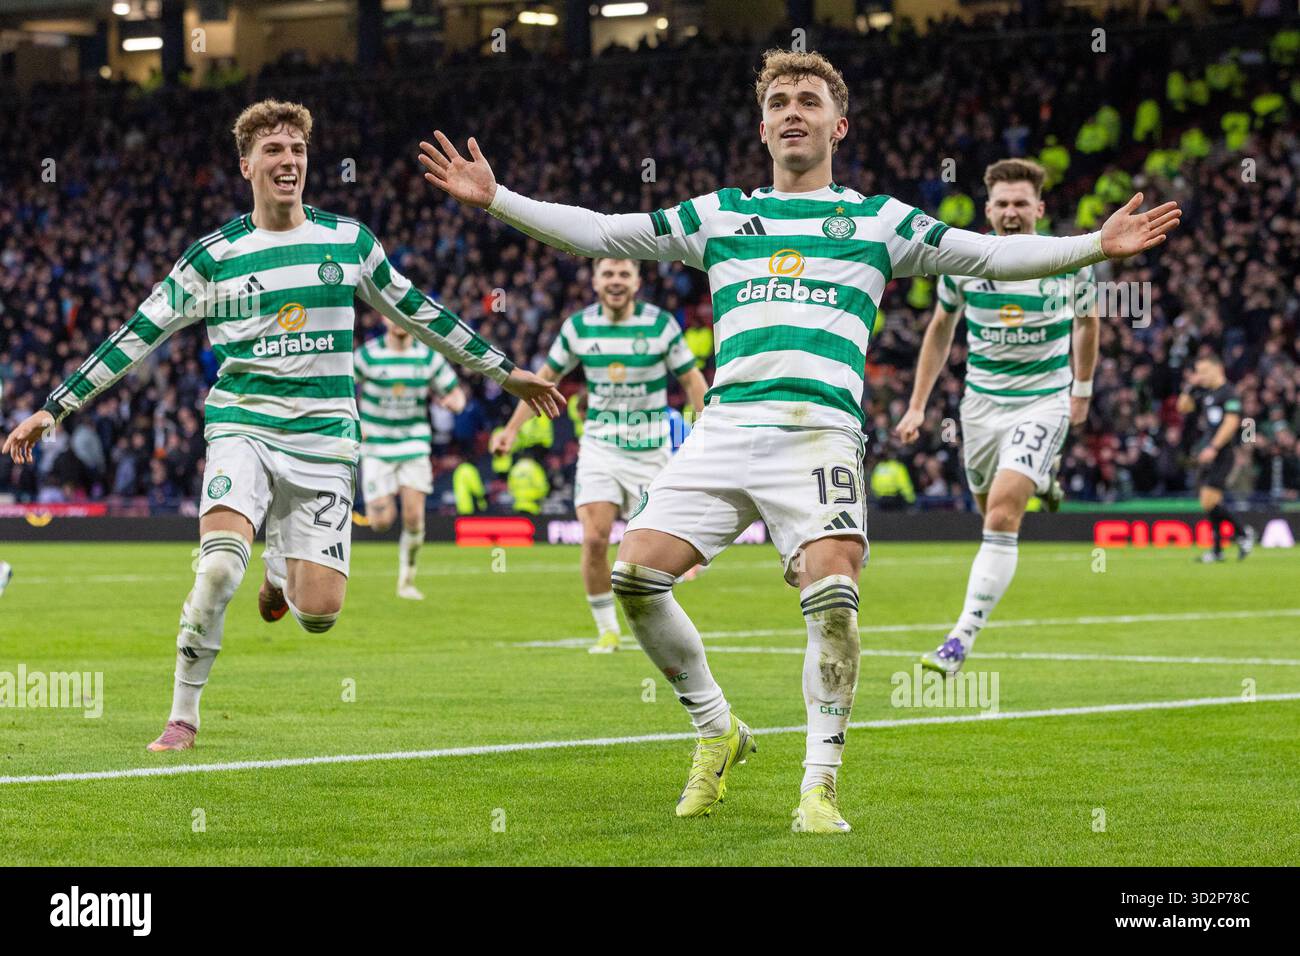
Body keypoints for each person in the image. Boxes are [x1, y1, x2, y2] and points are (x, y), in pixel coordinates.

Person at [417, 49, 1180, 833]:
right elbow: (602, 231)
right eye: (779, 100)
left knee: (833, 599)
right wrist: (497, 198)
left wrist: (1093, 244)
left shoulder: (879, 221)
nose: (792, 110)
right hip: (724, 428)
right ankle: (717, 728)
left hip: (818, 435)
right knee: (636, 578)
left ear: (837, 124)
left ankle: (819, 785)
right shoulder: (716, 216)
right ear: (761, 126)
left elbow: (988, 254)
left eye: (808, 101)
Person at [2, 99, 562, 752]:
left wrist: (505, 371)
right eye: (274, 150)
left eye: (297, 149)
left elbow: (421, 312)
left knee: (319, 614)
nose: (289, 160)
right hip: (242, 426)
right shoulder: (212, 257)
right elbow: (137, 333)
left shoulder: (347, 243)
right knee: (215, 572)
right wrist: (54, 405)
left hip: (325, 441)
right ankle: (183, 715)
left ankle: (279, 570)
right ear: (247, 165)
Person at [894, 158, 1099, 676]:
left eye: (1021, 204)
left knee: (1003, 515)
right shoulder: (964, 261)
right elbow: (941, 328)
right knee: (988, 509)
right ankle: (1045, 480)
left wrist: (1082, 389)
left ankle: (960, 637)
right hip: (980, 407)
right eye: (1002, 204)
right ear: (988, 209)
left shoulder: (1067, 260)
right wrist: (918, 404)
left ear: (1040, 209)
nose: (1011, 213)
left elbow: (1088, 321)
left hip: (1043, 399)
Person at [491, 258, 706, 654]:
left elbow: (691, 379)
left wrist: (707, 431)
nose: (616, 281)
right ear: (594, 281)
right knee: (594, 539)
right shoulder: (578, 327)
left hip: (651, 451)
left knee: (653, 560)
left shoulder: (660, 325)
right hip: (600, 447)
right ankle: (607, 630)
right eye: (608, 273)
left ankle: (673, 592)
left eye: (624, 274)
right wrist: (511, 430)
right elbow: (543, 380)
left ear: (637, 282)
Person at [355, 317, 467, 600]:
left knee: (414, 517)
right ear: (383, 318)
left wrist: (455, 402)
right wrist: (355, 422)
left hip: (413, 444)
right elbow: (340, 388)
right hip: (377, 446)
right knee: (380, 522)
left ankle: (407, 579)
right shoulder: (367, 355)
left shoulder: (427, 357)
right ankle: (384, 497)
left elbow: (455, 392)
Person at [1177, 354, 1255, 562]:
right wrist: (1189, 386)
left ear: (1218, 368)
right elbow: (1183, 407)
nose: (1200, 376)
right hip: (1211, 453)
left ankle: (1243, 533)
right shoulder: (1207, 393)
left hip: (1223, 453)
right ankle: (1218, 550)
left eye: (1204, 372)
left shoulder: (1229, 393)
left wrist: (1213, 447)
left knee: (1208, 500)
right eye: (1198, 372)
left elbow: (1231, 423)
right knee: (1211, 503)